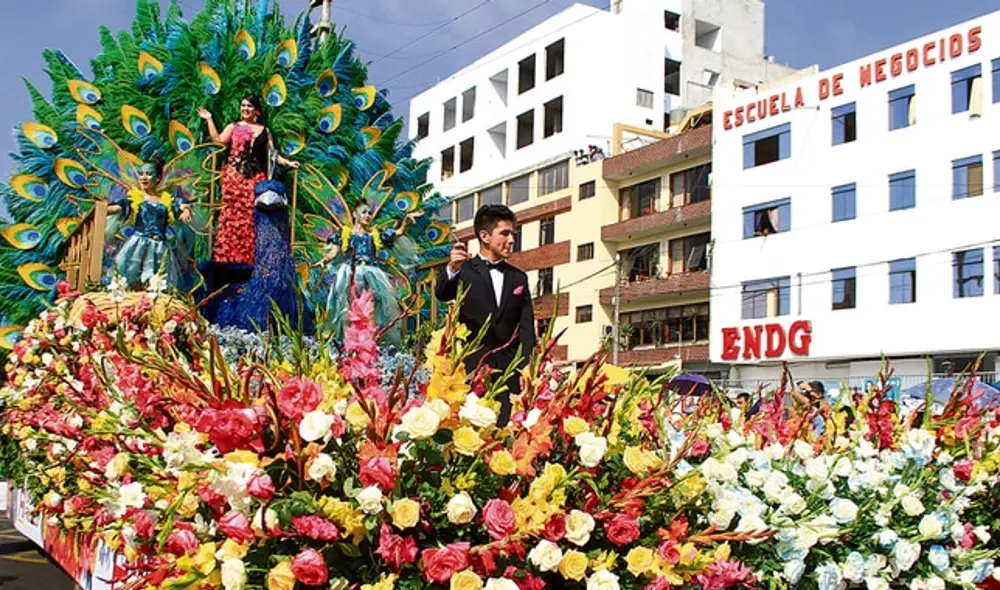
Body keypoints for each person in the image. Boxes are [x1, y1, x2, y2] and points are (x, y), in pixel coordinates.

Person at [435, 204, 535, 426]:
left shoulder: (518, 278)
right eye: (505, 234)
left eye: (513, 234)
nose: (511, 240)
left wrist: (529, 365)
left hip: (509, 372)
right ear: (485, 236)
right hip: (471, 370)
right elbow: (442, 293)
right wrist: (452, 268)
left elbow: (526, 326)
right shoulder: (464, 270)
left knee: (507, 428)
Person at [197, 95, 298, 268]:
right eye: (243, 105)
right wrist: (209, 119)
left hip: (255, 180)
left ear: (256, 110)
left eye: (249, 106)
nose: (245, 109)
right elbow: (219, 140)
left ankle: (249, 260)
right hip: (234, 179)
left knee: (251, 218)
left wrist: (288, 163)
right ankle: (227, 260)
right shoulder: (233, 126)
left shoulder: (265, 130)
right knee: (231, 217)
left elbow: (272, 154)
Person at [315, 202, 423, 347]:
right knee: (349, 309)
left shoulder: (374, 234)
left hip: (371, 274)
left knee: (372, 309)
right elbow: (333, 253)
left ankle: (369, 345)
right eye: (364, 212)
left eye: (370, 213)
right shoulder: (344, 234)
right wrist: (324, 260)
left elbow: (398, 232)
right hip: (351, 273)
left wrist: (406, 221)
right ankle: (348, 346)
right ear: (355, 214)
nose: (368, 216)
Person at [105, 158, 196, 291]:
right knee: (131, 276)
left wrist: (186, 210)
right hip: (137, 245)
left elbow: (182, 205)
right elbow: (119, 207)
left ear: (158, 178)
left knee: (156, 280)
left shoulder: (166, 199)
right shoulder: (136, 197)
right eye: (141, 173)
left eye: (148, 174)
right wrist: (101, 210)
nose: (143, 177)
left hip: (159, 247)